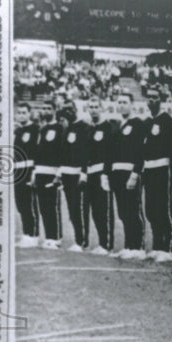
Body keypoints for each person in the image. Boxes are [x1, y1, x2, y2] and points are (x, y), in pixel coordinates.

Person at [142, 86, 172, 262]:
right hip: (148, 171)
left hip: (163, 170)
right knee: (151, 209)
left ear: (160, 100)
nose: (152, 100)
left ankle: (168, 248)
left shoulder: (166, 120)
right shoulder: (146, 122)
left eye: (155, 97)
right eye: (149, 97)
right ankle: (157, 245)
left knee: (164, 209)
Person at [110, 91, 146, 259]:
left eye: (125, 102)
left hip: (130, 172)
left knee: (133, 209)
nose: (122, 105)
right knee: (123, 211)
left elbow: (140, 151)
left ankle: (138, 246)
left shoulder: (138, 124)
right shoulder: (116, 125)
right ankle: (128, 244)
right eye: (119, 102)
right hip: (116, 173)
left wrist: (135, 173)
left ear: (131, 104)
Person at [83, 97, 115, 255]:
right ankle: (101, 242)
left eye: (96, 106)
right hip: (90, 174)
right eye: (91, 107)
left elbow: (110, 152)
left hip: (102, 173)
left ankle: (106, 243)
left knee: (104, 209)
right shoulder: (89, 129)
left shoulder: (108, 127)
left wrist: (106, 174)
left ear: (101, 108)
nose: (93, 109)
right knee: (95, 210)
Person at [33, 100, 65, 250]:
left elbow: (62, 151)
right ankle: (48, 237)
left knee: (52, 206)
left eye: (48, 108)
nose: (45, 111)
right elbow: (38, 153)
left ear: (54, 110)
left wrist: (59, 173)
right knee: (43, 207)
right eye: (43, 108)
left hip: (52, 172)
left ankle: (56, 237)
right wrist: (34, 172)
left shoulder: (59, 128)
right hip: (40, 171)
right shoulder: (42, 129)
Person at [58, 103, 90, 252]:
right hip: (66, 175)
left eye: (71, 109)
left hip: (78, 174)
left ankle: (82, 240)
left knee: (79, 208)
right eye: (66, 110)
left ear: (76, 110)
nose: (69, 112)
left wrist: (84, 172)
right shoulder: (66, 128)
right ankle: (78, 239)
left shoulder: (84, 127)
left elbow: (86, 152)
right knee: (72, 209)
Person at [13, 102, 40, 247]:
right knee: (20, 204)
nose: (21, 115)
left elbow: (37, 152)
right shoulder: (17, 131)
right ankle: (26, 233)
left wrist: (35, 171)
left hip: (29, 169)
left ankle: (33, 235)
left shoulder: (35, 130)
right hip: (17, 171)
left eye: (24, 112)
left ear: (29, 113)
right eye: (19, 112)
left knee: (30, 204)